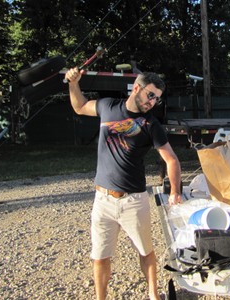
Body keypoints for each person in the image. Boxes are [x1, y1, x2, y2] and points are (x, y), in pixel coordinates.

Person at [65, 67, 183, 300]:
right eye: (151, 95)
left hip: (134, 201)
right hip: (103, 200)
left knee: (145, 251)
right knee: (99, 256)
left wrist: (175, 192)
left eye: (157, 99)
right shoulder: (107, 107)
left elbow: (172, 159)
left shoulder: (151, 125)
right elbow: (79, 106)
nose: (153, 102)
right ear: (137, 88)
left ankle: (153, 294)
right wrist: (73, 83)